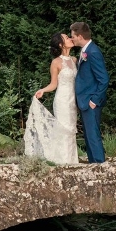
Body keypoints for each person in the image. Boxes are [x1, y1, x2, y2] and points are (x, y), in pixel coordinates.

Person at [24, 31, 79, 164]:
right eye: (67, 38)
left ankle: (72, 162)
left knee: (71, 130)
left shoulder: (75, 60)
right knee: (64, 130)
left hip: (73, 101)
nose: (70, 38)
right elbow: (54, 84)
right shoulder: (56, 62)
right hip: (62, 101)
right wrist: (43, 90)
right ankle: (62, 163)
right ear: (61, 44)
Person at [70, 21, 108, 163]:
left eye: (73, 36)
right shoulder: (86, 50)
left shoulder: (93, 52)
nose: (71, 38)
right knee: (88, 135)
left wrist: (94, 100)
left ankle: (99, 166)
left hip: (91, 101)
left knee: (93, 135)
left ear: (79, 36)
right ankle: (93, 165)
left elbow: (103, 79)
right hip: (85, 100)